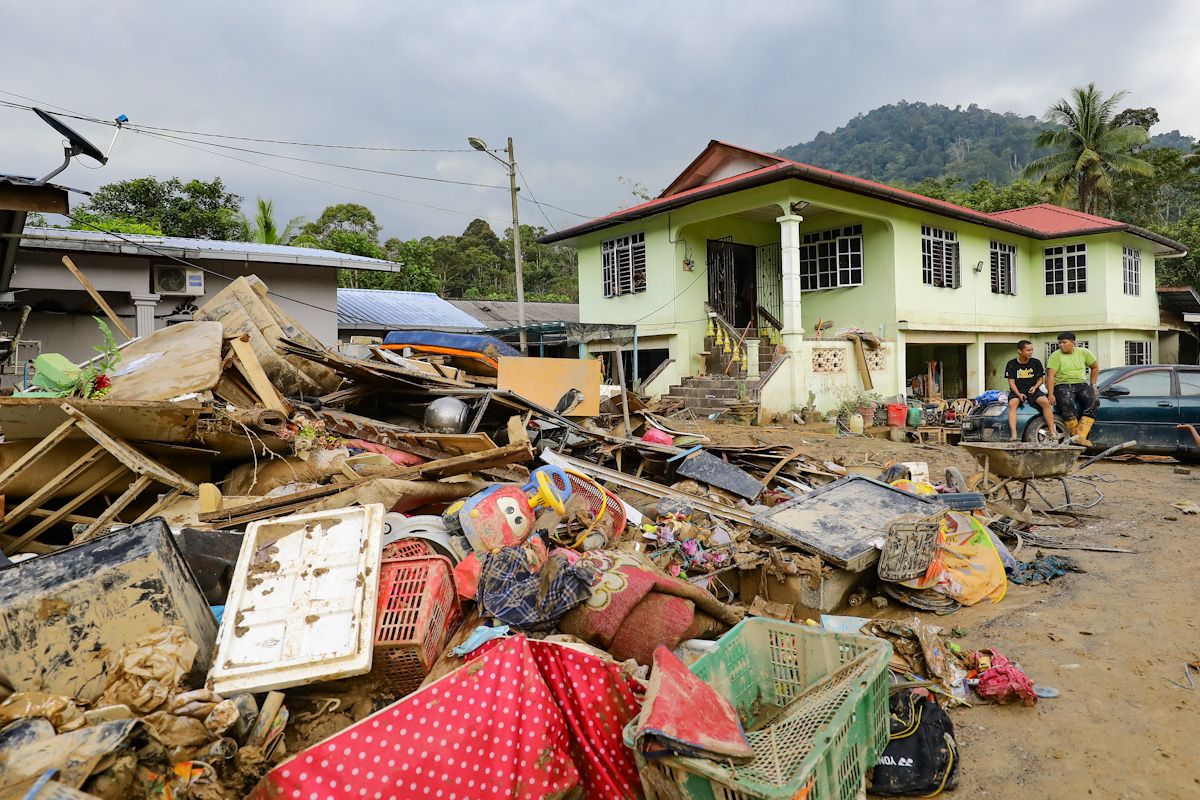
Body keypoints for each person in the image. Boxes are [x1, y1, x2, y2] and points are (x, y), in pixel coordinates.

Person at [1046, 332, 1100, 446]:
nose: (1061, 345)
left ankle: (1080, 436)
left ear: (1073, 342)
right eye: (1059, 343)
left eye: (1064, 342)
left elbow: (1094, 367)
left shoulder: (1084, 352)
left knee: (1094, 401)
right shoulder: (1055, 355)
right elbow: (1050, 376)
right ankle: (1076, 436)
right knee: (1067, 403)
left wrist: (1093, 385)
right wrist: (1051, 394)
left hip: (1080, 383)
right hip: (1062, 385)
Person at [1004, 340, 1056, 441]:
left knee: (1045, 402)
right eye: (1028, 350)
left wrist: (1035, 387)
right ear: (1019, 351)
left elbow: (1041, 379)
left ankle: (1052, 431)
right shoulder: (1011, 364)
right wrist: (1018, 394)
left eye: (1031, 350)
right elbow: (1011, 382)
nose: (1030, 352)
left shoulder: (1035, 362)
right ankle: (1014, 434)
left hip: (1033, 389)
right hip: (1017, 390)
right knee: (1012, 404)